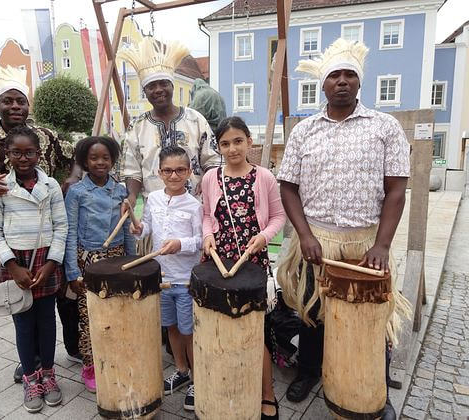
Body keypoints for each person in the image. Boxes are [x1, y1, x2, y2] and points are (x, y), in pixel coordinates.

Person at [276, 38, 412, 419]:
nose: (341, 81)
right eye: (334, 75)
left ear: (359, 81)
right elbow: (288, 187)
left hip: (365, 245)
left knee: (371, 319)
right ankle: (309, 371)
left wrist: (382, 246)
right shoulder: (304, 130)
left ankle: (375, 388)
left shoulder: (384, 127)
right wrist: (305, 236)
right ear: (323, 83)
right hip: (316, 243)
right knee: (311, 314)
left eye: (349, 74)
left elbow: (396, 190)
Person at [0, 59, 82, 380]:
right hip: (9, 237)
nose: (15, 106)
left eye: (20, 100)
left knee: (61, 296)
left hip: (49, 231)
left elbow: (78, 155)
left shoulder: (46, 135)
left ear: (28, 104)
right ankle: (32, 361)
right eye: (7, 101)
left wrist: (70, 181)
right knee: (23, 299)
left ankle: (74, 349)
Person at [201, 117, 286, 419]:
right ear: (218, 147)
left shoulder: (264, 177)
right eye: (225, 143)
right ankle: (228, 383)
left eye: (238, 141)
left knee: (255, 329)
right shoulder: (211, 177)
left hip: (253, 262)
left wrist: (264, 237)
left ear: (250, 141)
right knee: (223, 326)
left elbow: (278, 217)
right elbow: (207, 215)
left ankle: (267, 393)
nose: (232, 148)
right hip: (219, 261)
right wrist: (207, 236)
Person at [0, 126, 67, 413]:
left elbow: (61, 227)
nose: (23, 158)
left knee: (47, 322)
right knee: (23, 323)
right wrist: (12, 266)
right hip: (15, 263)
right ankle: (31, 378)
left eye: (29, 152)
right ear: (7, 154)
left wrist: (52, 262)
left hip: (46, 262)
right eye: (16, 153)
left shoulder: (51, 185)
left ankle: (49, 374)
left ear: (39, 153)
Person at [130, 146, 203, 411]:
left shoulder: (195, 206)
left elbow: (200, 241)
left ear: (189, 171)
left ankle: (197, 380)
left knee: (188, 331)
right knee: (171, 327)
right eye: (168, 170)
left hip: (184, 279)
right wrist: (138, 228)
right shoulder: (153, 199)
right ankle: (181, 370)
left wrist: (180, 244)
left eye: (180, 170)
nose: (174, 175)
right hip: (161, 277)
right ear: (159, 172)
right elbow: (146, 228)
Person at [64, 136, 137, 393]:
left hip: (117, 260)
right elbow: (70, 233)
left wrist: (133, 262)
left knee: (117, 313)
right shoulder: (76, 192)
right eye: (94, 158)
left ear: (113, 160)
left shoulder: (120, 191)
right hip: (88, 262)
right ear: (84, 162)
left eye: (106, 157)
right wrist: (73, 272)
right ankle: (90, 366)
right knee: (90, 315)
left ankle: (114, 358)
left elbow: (127, 230)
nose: (100, 162)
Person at [118, 37, 221, 207]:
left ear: (172, 85)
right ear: (145, 91)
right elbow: (132, 170)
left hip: (194, 206)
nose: (158, 90)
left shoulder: (195, 120)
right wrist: (132, 197)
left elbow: (213, 160)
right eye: (151, 86)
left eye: (163, 83)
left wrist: (207, 181)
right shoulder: (137, 126)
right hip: (155, 210)